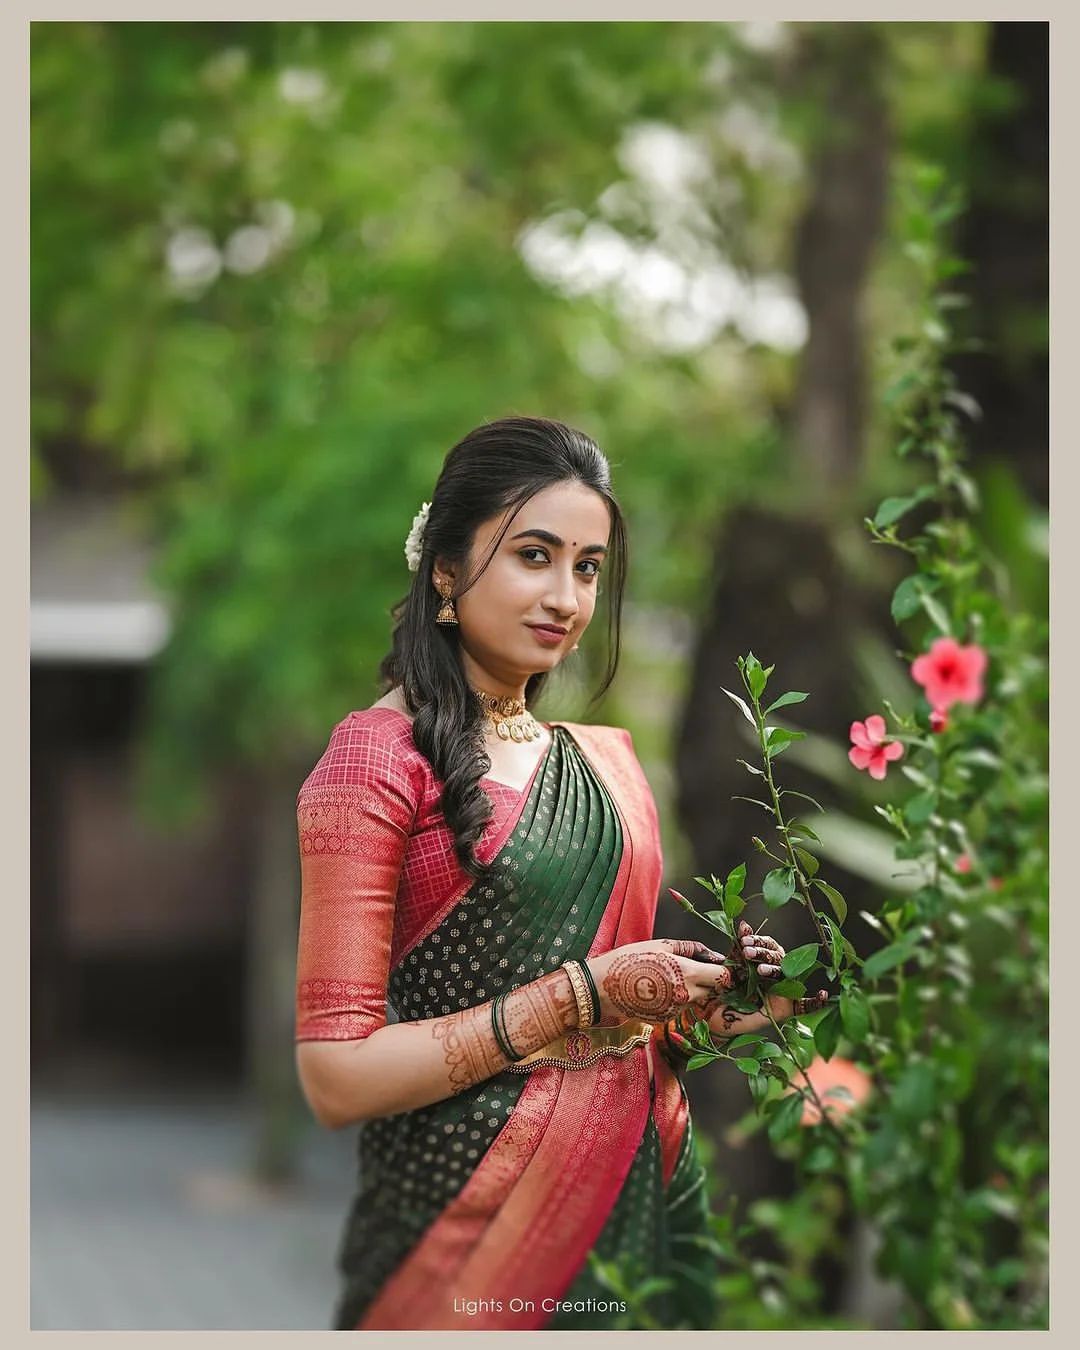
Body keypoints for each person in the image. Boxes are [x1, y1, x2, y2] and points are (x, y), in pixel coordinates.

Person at [292, 416, 827, 1331]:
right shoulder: (373, 765)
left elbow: (625, 1026)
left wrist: (712, 1003)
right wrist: (580, 993)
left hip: (631, 1214)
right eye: (535, 556)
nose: (567, 598)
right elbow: (335, 1079)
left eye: (587, 567)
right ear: (447, 571)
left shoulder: (605, 767)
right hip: (460, 1237)